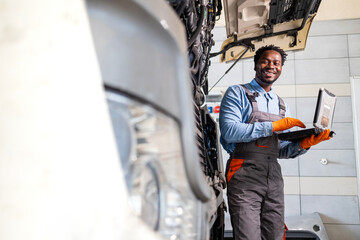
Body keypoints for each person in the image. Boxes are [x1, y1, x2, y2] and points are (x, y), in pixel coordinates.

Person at [219, 45, 332, 240]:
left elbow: (281, 149)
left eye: (276, 63)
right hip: (243, 171)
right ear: (256, 65)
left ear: (281, 68)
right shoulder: (237, 92)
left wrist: (305, 144)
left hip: (273, 175)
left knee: (275, 235)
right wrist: (272, 127)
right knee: (248, 236)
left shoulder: (281, 103)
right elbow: (229, 132)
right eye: (266, 61)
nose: (271, 66)